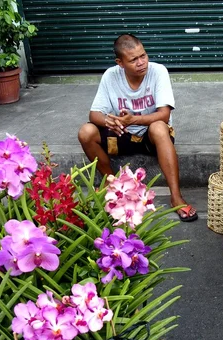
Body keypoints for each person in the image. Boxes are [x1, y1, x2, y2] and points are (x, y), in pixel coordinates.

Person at [78, 34, 198, 222]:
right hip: (122, 134)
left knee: (159, 126)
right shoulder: (110, 76)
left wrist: (133, 120)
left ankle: (176, 196)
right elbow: (94, 115)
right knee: (86, 132)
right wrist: (110, 122)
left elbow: (164, 115)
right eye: (133, 60)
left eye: (143, 56)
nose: (141, 62)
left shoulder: (158, 71)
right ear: (120, 62)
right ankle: (116, 187)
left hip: (151, 137)